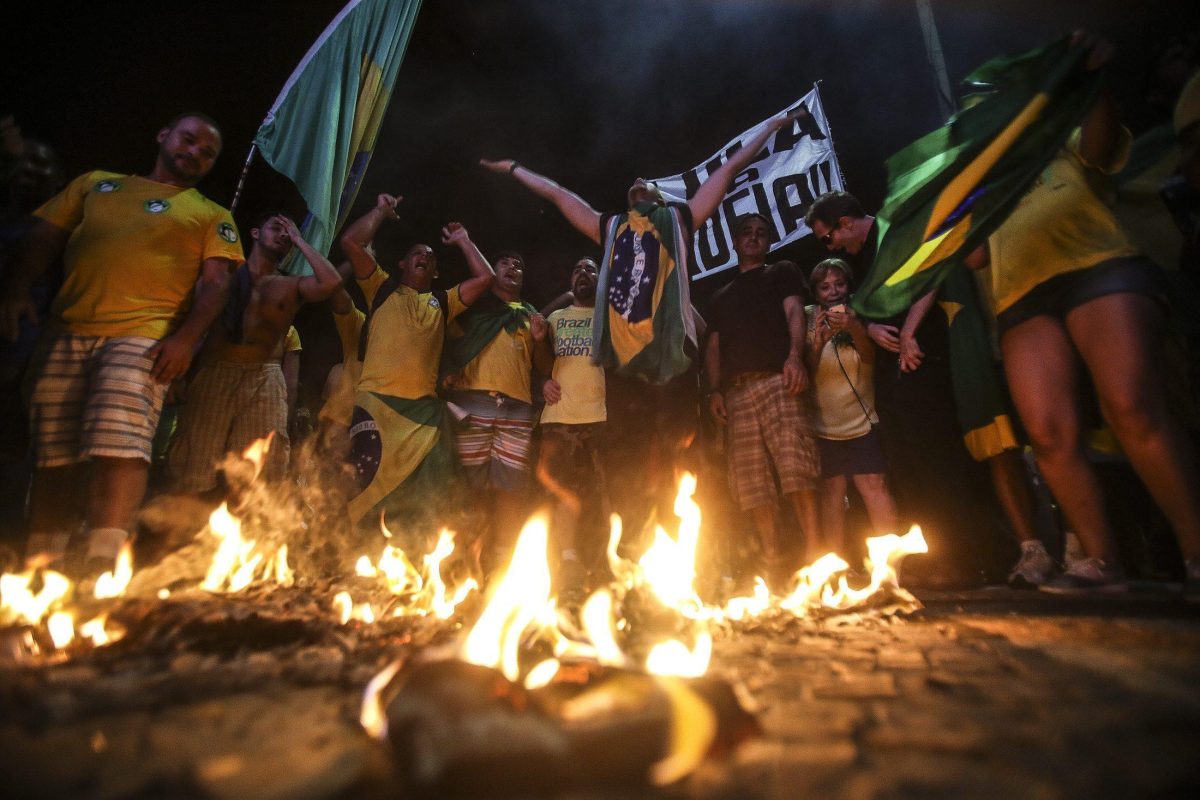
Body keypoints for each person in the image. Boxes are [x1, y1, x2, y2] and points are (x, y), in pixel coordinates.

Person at [968, 39, 1200, 593]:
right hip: (1021, 294)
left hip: (1099, 268)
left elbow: (1100, 148)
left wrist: (1088, 80)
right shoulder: (980, 186)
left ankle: (1196, 552)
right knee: (1048, 436)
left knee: (1132, 408)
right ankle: (1099, 561)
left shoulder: (1061, 143)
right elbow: (974, 255)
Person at [0, 112, 242, 573]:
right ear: (162, 134)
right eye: (188, 140)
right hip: (67, 330)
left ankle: (103, 562)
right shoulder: (95, 184)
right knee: (55, 454)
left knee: (121, 446)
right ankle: (41, 565)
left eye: (207, 153)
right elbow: (44, 239)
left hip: (143, 337)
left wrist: (186, 340)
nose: (194, 153)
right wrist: (15, 291)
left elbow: (216, 286)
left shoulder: (212, 214)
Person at [479, 107, 808, 384]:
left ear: (659, 199)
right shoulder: (610, 227)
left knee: (680, 453)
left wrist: (772, 126)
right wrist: (513, 169)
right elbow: (557, 194)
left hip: (673, 348)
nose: (639, 181)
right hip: (625, 357)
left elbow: (730, 168)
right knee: (628, 455)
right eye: (634, 183)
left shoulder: (679, 218)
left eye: (647, 184)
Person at [807, 190, 1002, 588]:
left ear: (845, 223)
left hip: (919, 362)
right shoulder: (864, 261)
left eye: (827, 238)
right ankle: (934, 559)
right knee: (911, 469)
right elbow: (871, 307)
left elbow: (931, 271)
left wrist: (910, 330)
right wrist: (871, 327)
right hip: (894, 379)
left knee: (937, 466)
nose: (831, 246)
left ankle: (967, 560)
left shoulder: (894, 230)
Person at [339, 194, 495, 528]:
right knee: (364, 488)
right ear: (402, 264)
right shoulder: (380, 289)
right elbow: (351, 242)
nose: (424, 256)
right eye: (416, 253)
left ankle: (420, 559)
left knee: (430, 494)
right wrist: (380, 210)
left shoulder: (443, 301)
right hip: (376, 408)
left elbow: (486, 278)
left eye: (431, 256)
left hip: (423, 415)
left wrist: (465, 241)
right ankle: (355, 555)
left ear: (436, 272)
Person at [166, 212, 341, 494]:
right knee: (193, 466)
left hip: (264, 376)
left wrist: (300, 240)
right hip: (215, 371)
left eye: (288, 232)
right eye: (276, 228)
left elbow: (331, 282)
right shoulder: (220, 279)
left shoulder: (290, 285)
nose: (283, 235)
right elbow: (194, 327)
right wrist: (178, 376)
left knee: (260, 475)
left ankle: (249, 533)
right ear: (255, 233)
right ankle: (182, 530)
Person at [705, 212, 822, 578]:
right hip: (737, 393)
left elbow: (794, 313)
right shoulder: (721, 295)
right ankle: (771, 558)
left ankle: (817, 555)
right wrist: (714, 390)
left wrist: (794, 357)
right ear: (735, 243)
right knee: (751, 481)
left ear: (768, 242)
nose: (753, 238)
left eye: (760, 233)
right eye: (746, 233)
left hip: (778, 380)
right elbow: (714, 345)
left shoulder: (781, 271)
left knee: (796, 467)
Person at [440, 249, 546, 565]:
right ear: (493, 271)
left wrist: (540, 340)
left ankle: (503, 557)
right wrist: (448, 372)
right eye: (504, 263)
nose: (512, 267)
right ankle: (466, 555)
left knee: (510, 487)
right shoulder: (475, 309)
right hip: (473, 401)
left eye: (518, 265)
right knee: (470, 482)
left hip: (517, 407)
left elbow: (542, 368)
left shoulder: (532, 314)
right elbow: (446, 345)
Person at [805, 258, 898, 552]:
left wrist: (855, 327)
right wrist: (818, 342)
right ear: (815, 292)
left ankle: (893, 569)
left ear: (849, 285)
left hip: (862, 421)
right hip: (822, 426)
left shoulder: (863, 311)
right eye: (824, 287)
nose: (833, 292)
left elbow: (871, 358)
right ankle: (836, 573)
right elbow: (803, 373)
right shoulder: (808, 317)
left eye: (839, 284)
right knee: (831, 493)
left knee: (874, 486)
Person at [534, 257, 609, 594]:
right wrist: (543, 379)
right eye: (578, 269)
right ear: (570, 280)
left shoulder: (608, 316)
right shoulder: (555, 318)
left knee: (602, 495)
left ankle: (603, 563)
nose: (584, 274)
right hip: (559, 418)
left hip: (600, 418)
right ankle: (566, 561)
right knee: (563, 494)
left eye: (591, 269)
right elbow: (544, 362)